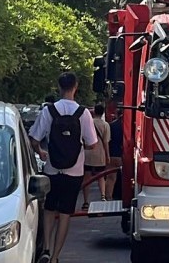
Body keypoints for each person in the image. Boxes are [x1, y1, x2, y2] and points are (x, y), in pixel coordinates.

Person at [29, 71, 98, 263]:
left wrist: (42, 152)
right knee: (66, 213)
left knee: (50, 209)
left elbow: (34, 139)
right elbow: (92, 143)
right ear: (75, 87)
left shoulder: (49, 111)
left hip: (52, 168)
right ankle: (56, 257)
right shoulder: (83, 113)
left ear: (59, 87)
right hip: (74, 171)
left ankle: (47, 249)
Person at [80, 104, 111, 211]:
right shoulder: (105, 125)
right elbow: (106, 142)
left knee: (86, 178)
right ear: (103, 112)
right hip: (100, 153)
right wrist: (107, 155)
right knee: (101, 176)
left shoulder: (89, 123)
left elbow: (83, 138)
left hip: (88, 153)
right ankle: (102, 196)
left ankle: (85, 201)